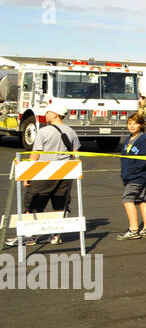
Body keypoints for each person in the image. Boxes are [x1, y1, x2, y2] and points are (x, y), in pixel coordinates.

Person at [10, 103, 81, 247]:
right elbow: (76, 155)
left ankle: (29, 236)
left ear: (55, 114)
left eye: (48, 112)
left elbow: (35, 155)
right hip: (64, 175)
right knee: (60, 205)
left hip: (43, 174)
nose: (46, 114)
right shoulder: (72, 132)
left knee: (32, 204)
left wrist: (27, 176)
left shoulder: (43, 132)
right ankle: (56, 235)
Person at [117, 113, 146, 240]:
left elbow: (144, 160)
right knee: (141, 199)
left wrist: (133, 172)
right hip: (129, 175)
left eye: (135, 123)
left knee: (127, 199)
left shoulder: (144, 140)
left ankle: (133, 229)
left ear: (141, 125)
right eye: (130, 123)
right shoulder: (128, 139)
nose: (132, 126)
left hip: (138, 176)